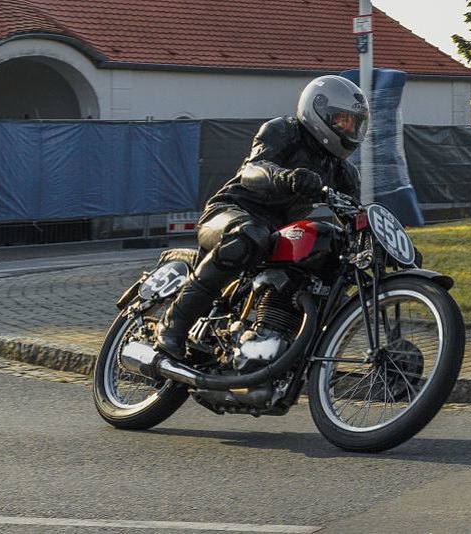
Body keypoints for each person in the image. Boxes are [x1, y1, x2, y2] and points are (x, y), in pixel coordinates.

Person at [155, 75, 369, 361]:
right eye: (343, 120)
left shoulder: (344, 172)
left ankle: (292, 351)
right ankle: (172, 325)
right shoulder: (284, 130)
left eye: (355, 123)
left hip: (274, 233)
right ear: (319, 110)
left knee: (330, 263)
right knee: (249, 235)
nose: (350, 129)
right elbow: (252, 170)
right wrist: (287, 178)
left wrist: (382, 242)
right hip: (231, 212)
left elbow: (354, 216)